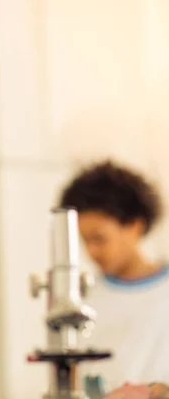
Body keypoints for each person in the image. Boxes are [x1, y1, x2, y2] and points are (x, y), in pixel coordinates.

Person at [59, 160, 169, 392]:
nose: (91, 251)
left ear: (135, 226)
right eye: (85, 240)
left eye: (99, 239)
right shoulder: (82, 302)